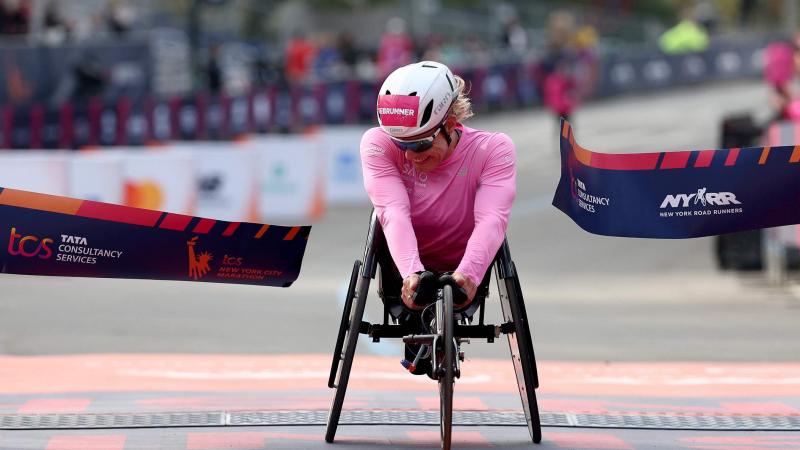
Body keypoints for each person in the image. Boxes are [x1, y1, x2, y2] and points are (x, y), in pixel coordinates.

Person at [360, 60, 516, 325]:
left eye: (420, 144)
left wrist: (468, 275)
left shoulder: (494, 149)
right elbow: (393, 211)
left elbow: (492, 219)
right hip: (402, 275)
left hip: (466, 272)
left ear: (451, 123)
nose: (409, 156)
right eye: (400, 144)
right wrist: (412, 275)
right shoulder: (376, 143)